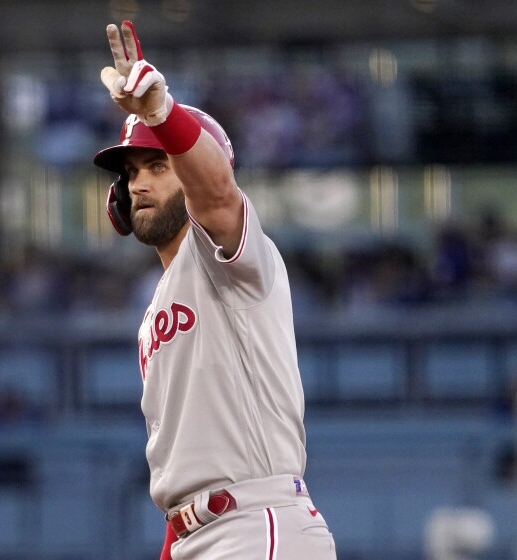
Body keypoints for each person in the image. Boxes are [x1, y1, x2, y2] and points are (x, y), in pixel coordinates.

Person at [92, 21, 337, 560]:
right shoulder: (154, 305)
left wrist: (162, 116)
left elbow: (220, 198)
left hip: (256, 524)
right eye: (131, 171)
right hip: (194, 535)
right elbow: (179, 465)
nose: (138, 183)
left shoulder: (231, 258)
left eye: (158, 165)